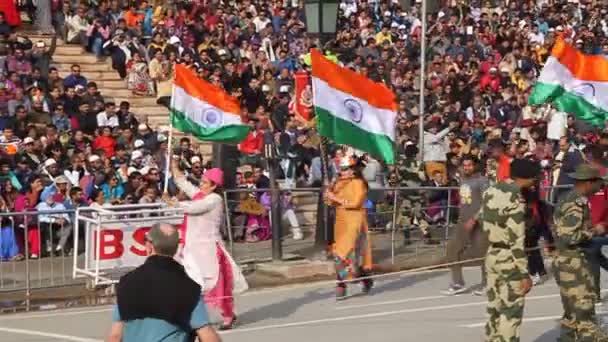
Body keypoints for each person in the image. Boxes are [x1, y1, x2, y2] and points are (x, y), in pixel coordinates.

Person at [107, 223, 222, 342]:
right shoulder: (188, 287)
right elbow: (207, 335)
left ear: (149, 246)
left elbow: (115, 336)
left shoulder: (126, 283)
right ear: (176, 248)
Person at [168, 159, 248, 330]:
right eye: (202, 181)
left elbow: (194, 208)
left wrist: (174, 202)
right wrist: (174, 167)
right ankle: (189, 316)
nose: (201, 184)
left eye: (205, 182)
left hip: (210, 250)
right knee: (189, 282)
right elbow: (183, 183)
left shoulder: (214, 199)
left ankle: (228, 316)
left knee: (217, 285)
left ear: (213, 186)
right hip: (192, 248)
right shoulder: (200, 195)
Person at [481, 158, 539, 342]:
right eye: (534, 179)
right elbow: (516, 238)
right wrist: (524, 273)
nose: (535, 183)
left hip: (492, 253)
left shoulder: (492, 190)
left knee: (494, 307)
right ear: (526, 178)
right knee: (511, 310)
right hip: (509, 257)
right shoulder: (516, 197)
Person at [553, 164, 608, 341]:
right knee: (584, 313)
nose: (600, 187)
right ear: (588, 182)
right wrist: (594, 231)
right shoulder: (575, 202)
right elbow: (570, 236)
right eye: (598, 183)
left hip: (566, 261)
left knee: (572, 314)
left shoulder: (567, 198)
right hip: (573, 264)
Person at [325, 156, 373, 300]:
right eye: (341, 169)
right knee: (338, 254)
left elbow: (356, 202)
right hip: (341, 221)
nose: (342, 172)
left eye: (345, 169)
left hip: (355, 220)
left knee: (346, 254)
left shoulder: (359, 183)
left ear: (353, 170)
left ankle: (342, 284)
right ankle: (361, 279)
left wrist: (335, 198)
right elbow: (330, 202)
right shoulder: (338, 182)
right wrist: (328, 192)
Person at [442, 156, 489, 296]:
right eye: (465, 165)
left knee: (483, 253)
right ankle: (458, 283)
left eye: (469, 165)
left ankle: (488, 283)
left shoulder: (482, 181)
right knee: (452, 249)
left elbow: (487, 202)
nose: (467, 167)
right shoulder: (462, 179)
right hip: (463, 220)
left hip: (480, 222)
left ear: (475, 166)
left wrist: (474, 218)